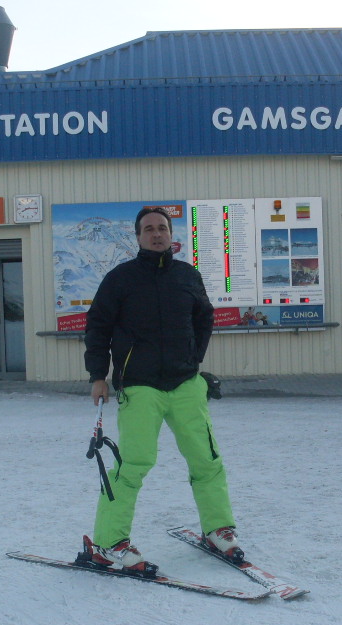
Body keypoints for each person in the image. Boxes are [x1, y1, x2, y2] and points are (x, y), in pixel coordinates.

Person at [81, 207, 240, 574]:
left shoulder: (187, 275)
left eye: (162, 228)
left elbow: (204, 318)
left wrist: (193, 360)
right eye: (149, 229)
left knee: (207, 460)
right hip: (140, 387)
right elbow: (98, 326)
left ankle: (217, 528)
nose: (156, 234)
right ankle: (108, 542)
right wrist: (98, 375)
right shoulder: (120, 279)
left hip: (186, 384)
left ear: (171, 234)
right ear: (137, 236)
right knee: (133, 464)